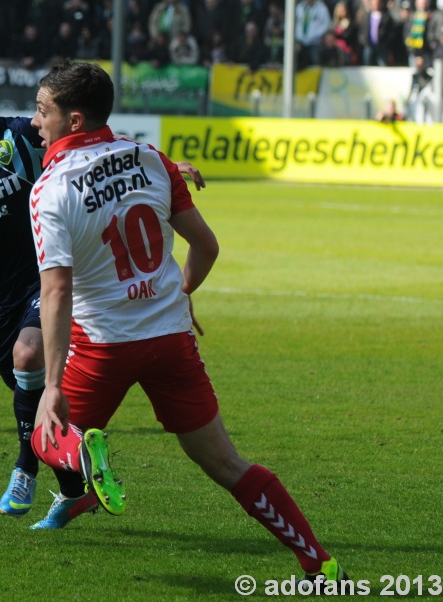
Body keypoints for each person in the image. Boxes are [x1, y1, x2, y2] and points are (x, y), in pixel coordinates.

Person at [26, 59, 348, 585]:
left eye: (43, 111)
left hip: (104, 343)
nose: (35, 121)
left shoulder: (51, 190)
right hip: (171, 340)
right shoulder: (152, 160)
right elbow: (207, 246)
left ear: (75, 120)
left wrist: (54, 384)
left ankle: (82, 452)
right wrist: (176, 293)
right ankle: (317, 560)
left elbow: (57, 290)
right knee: (226, 463)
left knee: (46, 431)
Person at [0, 52, 206, 523]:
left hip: (55, 278)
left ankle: (25, 468)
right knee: (27, 388)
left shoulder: (19, 135)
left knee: (28, 355)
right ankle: (76, 476)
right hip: (0, 295)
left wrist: (160, 163)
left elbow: (93, 142)